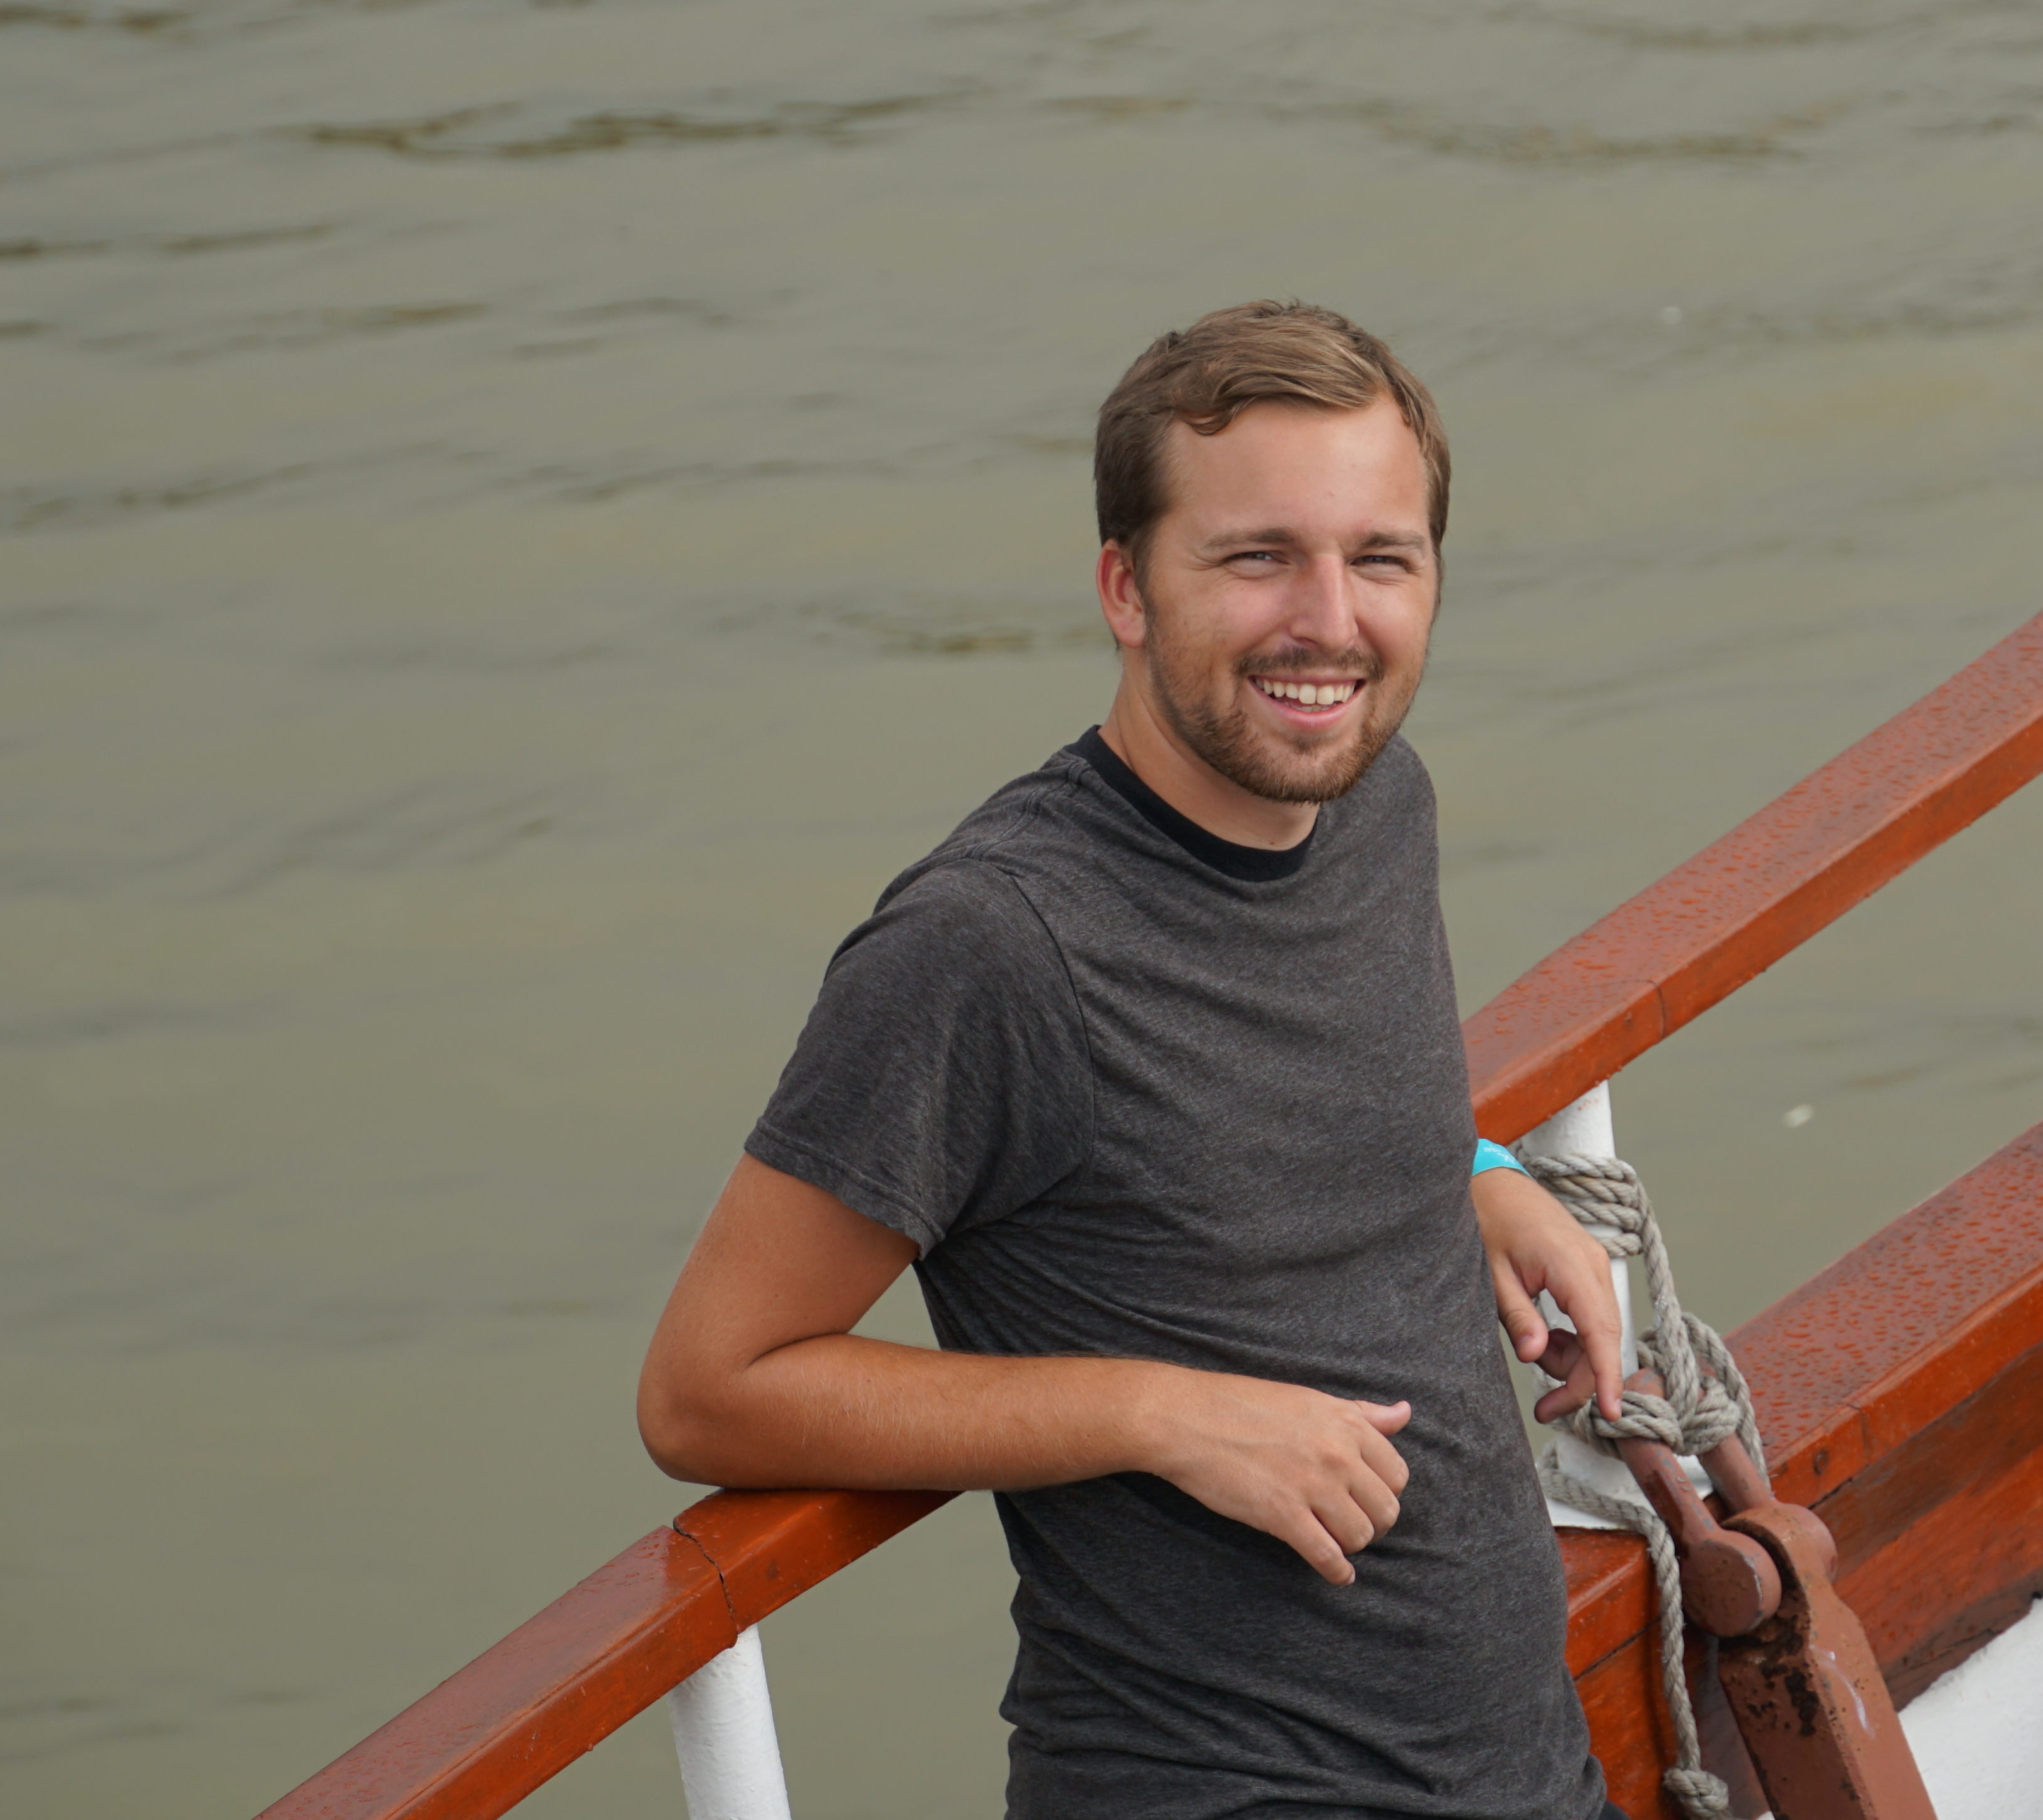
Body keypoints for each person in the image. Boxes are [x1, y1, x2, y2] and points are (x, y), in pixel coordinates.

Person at [638, 301, 1634, 1820]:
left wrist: (1472, 1170)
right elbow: (709, 1389)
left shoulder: (1376, 800)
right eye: (1257, 557)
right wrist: (1162, 1411)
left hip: (1524, 1771)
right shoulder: (989, 945)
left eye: (1381, 557)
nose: (1330, 621)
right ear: (1125, 585)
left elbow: (1262, 1106)